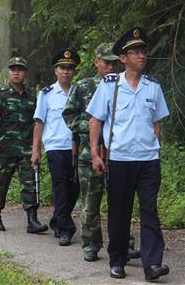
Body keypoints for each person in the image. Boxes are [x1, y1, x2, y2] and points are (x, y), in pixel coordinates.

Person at [87, 28, 170, 281]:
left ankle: (152, 264)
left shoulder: (153, 87)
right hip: (120, 159)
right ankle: (117, 260)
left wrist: (155, 149)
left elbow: (157, 123)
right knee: (119, 212)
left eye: (143, 51)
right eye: (135, 52)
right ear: (123, 58)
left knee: (149, 211)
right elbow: (95, 121)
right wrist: (95, 154)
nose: (141, 55)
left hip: (148, 161)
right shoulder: (110, 85)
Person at [62, 42, 141, 262]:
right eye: (106, 62)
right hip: (90, 155)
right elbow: (69, 116)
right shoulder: (84, 87)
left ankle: (125, 245)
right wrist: (94, 126)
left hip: (118, 155)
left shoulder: (126, 84)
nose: (110, 67)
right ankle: (91, 245)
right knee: (91, 204)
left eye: (114, 63)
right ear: (97, 62)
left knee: (121, 203)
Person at [0, 56, 48, 234]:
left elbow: (38, 121)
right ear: (8, 71)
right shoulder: (0, 94)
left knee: (30, 183)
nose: (16, 72)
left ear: (25, 73)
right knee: (1, 182)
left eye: (20, 69)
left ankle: (32, 220)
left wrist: (37, 148)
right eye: (13, 69)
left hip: (27, 148)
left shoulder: (32, 97)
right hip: (5, 147)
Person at [32, 48, 81, 247]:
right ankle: (65, 229)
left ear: (74, 71)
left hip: (76, 147)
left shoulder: (81, 91)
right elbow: (39, 122)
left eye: (70, 68)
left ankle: (57, 219)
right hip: (55, 146)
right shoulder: (46, 94)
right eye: (62, 67)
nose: (66, 71)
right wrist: (36, 150)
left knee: (75, 187)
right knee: (60, 187)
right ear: (55, 70)